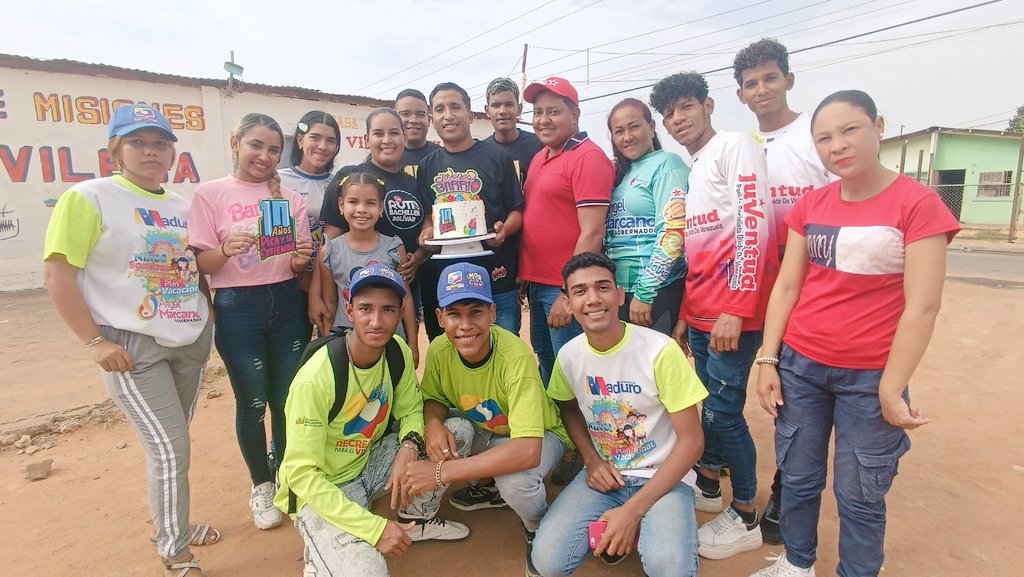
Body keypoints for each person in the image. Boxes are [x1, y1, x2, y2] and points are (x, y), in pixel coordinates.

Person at [749, 90, 959, 577]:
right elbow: (786, 287)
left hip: (870, 377)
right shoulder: (811, 204)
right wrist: (768, 359)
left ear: (878, 125)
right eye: (824, 138)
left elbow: (923, 307)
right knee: (799, 478)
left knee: (860, 490)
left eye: (849, 130)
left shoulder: (918, 206)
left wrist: (891, 385)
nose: (837, 145)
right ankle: (797, 564)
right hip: (802, 368)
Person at [44, 104, 216, 576]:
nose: (151, 151)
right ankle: (175, 550)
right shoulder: (89, 198)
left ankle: (172, 522)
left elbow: (196, 268)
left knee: (171, 442)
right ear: (115, 149)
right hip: (131, 345)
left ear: (173, 152)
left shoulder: (183, 206)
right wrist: (92, 343)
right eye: (138, 142)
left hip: (188, 339)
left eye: (160, 142)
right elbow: (59, 273)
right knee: (170, 447)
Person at [649, 71, 777, 559]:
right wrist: (685, 313)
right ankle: (705, 487)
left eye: (685, 106)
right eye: (669, 113)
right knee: (710, 408)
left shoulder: (735, 147)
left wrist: (737, 309)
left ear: (708, 105)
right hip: (700, 316)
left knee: (724, 415)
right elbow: (696, 252)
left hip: (730, 317)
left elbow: (754, 226)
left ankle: (745, 515)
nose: (677, 119)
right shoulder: (695, 165)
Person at [276, 264, 469, 577]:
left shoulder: (397, 352)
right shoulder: (316, 379)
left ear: (401, 312)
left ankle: (415, 520)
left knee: (456, 433)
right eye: (366, 308)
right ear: (350, 311)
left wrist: (410, 443)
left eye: (388, 309)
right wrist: (375, 528)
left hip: (368, 461)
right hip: (326, 486)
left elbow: (411, 409)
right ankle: (322, 547)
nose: (377, 321)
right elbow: (301, 475)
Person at [531, 252, 707, 577]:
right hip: (606, 475)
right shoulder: (568, 356)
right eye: (580, 291)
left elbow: (693, 442)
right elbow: (567, 407)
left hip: (664, 476)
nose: (593, 299)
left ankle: (647, 526)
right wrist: (591, 459)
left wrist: (632, 512)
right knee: (548, 560)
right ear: (568, 304)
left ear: (620, 295)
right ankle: (633, 525)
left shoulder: (660, 351)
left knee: (669, 567)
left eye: (603, 287)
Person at [399, 261, 572, 577]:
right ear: (440, 318)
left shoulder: (514, 356)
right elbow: (433, 399)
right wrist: (434, 423)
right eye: (454, 314)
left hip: (540, 434)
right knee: (452, 429)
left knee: (517, 481)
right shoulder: (440, 349)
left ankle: (536, 526)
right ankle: (487, 490)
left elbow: (527, 449)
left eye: (475, 312)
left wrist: (441, 472)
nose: (465, 325)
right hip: (487, 428)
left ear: (492, 314)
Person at [733, 37, 837, 545]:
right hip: (758, 295)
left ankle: (782, 494)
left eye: (770, 78)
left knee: (794, 406)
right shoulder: (745, 148)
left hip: (811, 298)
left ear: (788, 80)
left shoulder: (815, 140)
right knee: (757, 396)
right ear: (740, 94)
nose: (762, 89)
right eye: (751, 83)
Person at [187, 112, 313, 531]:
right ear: (235, 143)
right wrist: (225, 249)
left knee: (285, 400)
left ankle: (288, 478)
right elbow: (201, 263)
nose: (264, 155)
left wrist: (299, 257)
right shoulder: (210, 194)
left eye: (273, 149)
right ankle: (261, 485)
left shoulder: (290, 199)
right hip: (237, 307)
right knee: (252, 401)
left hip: (287, 303)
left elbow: (300, 264)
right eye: (256, 145)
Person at [519, 76, 614, 386]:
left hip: (561, 288)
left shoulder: (588, 157)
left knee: (573, 370)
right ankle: (559, 432)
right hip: (538, 285)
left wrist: (568, 293)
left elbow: (592, 233)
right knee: (548, 362)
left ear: (575, 115)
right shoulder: (539, 158)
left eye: (554, 111)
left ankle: (583, 434)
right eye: (537, 112)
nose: (543, 120)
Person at [416, 82, 525, 339]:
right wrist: (427, 232)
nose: (448, 115)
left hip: (496, 274)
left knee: (505, 349)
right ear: (432, 119)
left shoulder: (497, 157)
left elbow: (517, 210)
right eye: (440, 109)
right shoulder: (427, 166)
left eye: (455, 107)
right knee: (456, 356)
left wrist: (504, 230)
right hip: (449, 278)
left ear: (471, 115)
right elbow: (425, 217)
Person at [319, 108, 431, 333]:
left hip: (406, 287)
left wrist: (417, 258)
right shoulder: (350, 177)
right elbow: (328, 249)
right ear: (366, 139)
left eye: (394, 133)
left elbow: (427, 223)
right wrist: (316, 296)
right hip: (355, 295)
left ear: (404, 138)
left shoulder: (413, 182)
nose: (387, 140)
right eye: (378, 133)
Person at [604, 97, 689, 335]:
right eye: (618, 131)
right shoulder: (620, 172)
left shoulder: (667, 164)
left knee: (653, 368)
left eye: (634, 126)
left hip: (655, 291)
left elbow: (673, 234)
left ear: (651, 128)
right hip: (620, 292)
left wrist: (646, 291)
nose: (627, 137)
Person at [318, 172, 419, 364]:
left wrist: (412, 344)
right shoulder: (330, 251)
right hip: (347, 343)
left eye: (370, 203)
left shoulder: (394, 247)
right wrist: (328, 341)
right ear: (341, 205)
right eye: (353, 202)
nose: (361, 209)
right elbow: (330, 302)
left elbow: (405, 297)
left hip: (390, 340)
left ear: (381, 208)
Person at [278, 111, 342, 333]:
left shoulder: (339, 184)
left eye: (331, 140)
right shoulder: (278, 180)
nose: (323, 146)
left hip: (327, 281)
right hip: (286, 282)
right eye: (315, 137)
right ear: (300, 140)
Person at [482, 77, 543, 182]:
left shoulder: (540, 146)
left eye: (509, 104)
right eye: (496, 105)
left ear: (519, 109)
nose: (502, 111)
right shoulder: (482, 153)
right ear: (487, 111)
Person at [396, 88, 440, 178]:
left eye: (420, 114)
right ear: (395, 118)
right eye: (405, 114)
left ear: (428, 119)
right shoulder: (387, 158)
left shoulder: (442, 156)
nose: (413, 120)